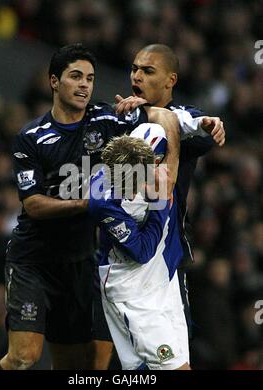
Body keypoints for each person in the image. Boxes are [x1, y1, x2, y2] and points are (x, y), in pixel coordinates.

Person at [0, 43, 188, 370]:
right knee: (24, 358)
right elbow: (34, 205)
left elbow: (162, 115)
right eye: (75, 76)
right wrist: (91, 204)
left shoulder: (105, 119)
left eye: (90, 79)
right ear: (54, 81)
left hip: (80, 263)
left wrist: (174, 161)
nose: (84, 85)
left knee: (75, 366)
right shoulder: (31, 137)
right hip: (34, 261)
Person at [91, 44, 226, 369]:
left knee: (161, 362)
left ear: (170, 79)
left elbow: (205, 135)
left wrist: (155, 115)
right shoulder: (116, 118)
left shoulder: (184, 119)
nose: (137, 76)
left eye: (148, 71)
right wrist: (139, 115)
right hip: (120, 259)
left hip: (164, 260)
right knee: (100, 359)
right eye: (135, 68)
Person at [89, 130, 190, 370]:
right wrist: (162, 200)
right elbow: (142, 251)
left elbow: (165, 119)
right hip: (132, 292)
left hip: (164, 280)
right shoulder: (103, 201)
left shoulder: (147, 146)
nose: (132, 192)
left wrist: (200, 123)